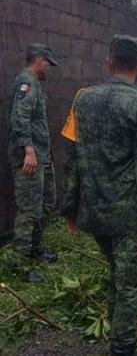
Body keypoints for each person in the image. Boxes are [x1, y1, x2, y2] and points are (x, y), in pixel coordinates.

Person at [62, 35, 137, 356]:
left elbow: (72, 156)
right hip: (129, 219)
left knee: (117, 276)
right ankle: (122, 349)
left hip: (94, 213)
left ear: (109, 62)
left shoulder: (83, 100)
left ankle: (115, 338)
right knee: (130, 288)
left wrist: (70, 207)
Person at [7, 43, 60, 282]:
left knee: (46, 204)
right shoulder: (25, 83)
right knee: (28, 212)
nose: (48, 67)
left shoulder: (36, 85)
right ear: (39, 60)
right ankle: (20, 265)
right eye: (48, 62)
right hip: (29, 158)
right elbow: (20, 117)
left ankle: (36, 249)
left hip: (42, 157)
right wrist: (28, 149)